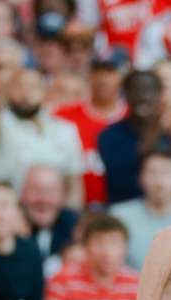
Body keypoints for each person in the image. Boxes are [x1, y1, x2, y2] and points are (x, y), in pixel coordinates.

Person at [0, 68, 84, 208]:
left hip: (51, 209)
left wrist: (71, 214)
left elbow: (73, 181)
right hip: (8, 208)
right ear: (9, 90)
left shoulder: (65, 130)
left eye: (33, 86)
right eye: (19, 85)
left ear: (46, 92)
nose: (25, 92)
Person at [44, 214, 139, 300]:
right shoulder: (62, 281)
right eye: (99, 243)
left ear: (125, 248)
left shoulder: (137, 285)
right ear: (85, 247)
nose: (107, 252)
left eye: (114, 243)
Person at [98, 69, 171, 204]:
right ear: (125, 95)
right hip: (119, 209)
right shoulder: (109, 137)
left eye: (149, 90)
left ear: (159, 95)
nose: (142, 96)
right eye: (136, 89)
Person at [54, 51, 129, 207]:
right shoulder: (64, 116)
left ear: (121, 76)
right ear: (89, 76)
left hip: (123, 207)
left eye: (110, 72)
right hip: (76, 206)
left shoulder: (132, 118)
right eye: (97, 72)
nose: (103, 79)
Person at [110, 150, 171, 269]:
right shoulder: (118, 216)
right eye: (152, 172)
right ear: (140, 177)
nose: (159, 180)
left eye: (166, 172)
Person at [19, 164, 78, 276]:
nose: (44, 199)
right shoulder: (7, 229)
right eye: (36, 190)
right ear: (22, 194)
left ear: (63, 196)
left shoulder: (75, 228)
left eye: (51, 191)